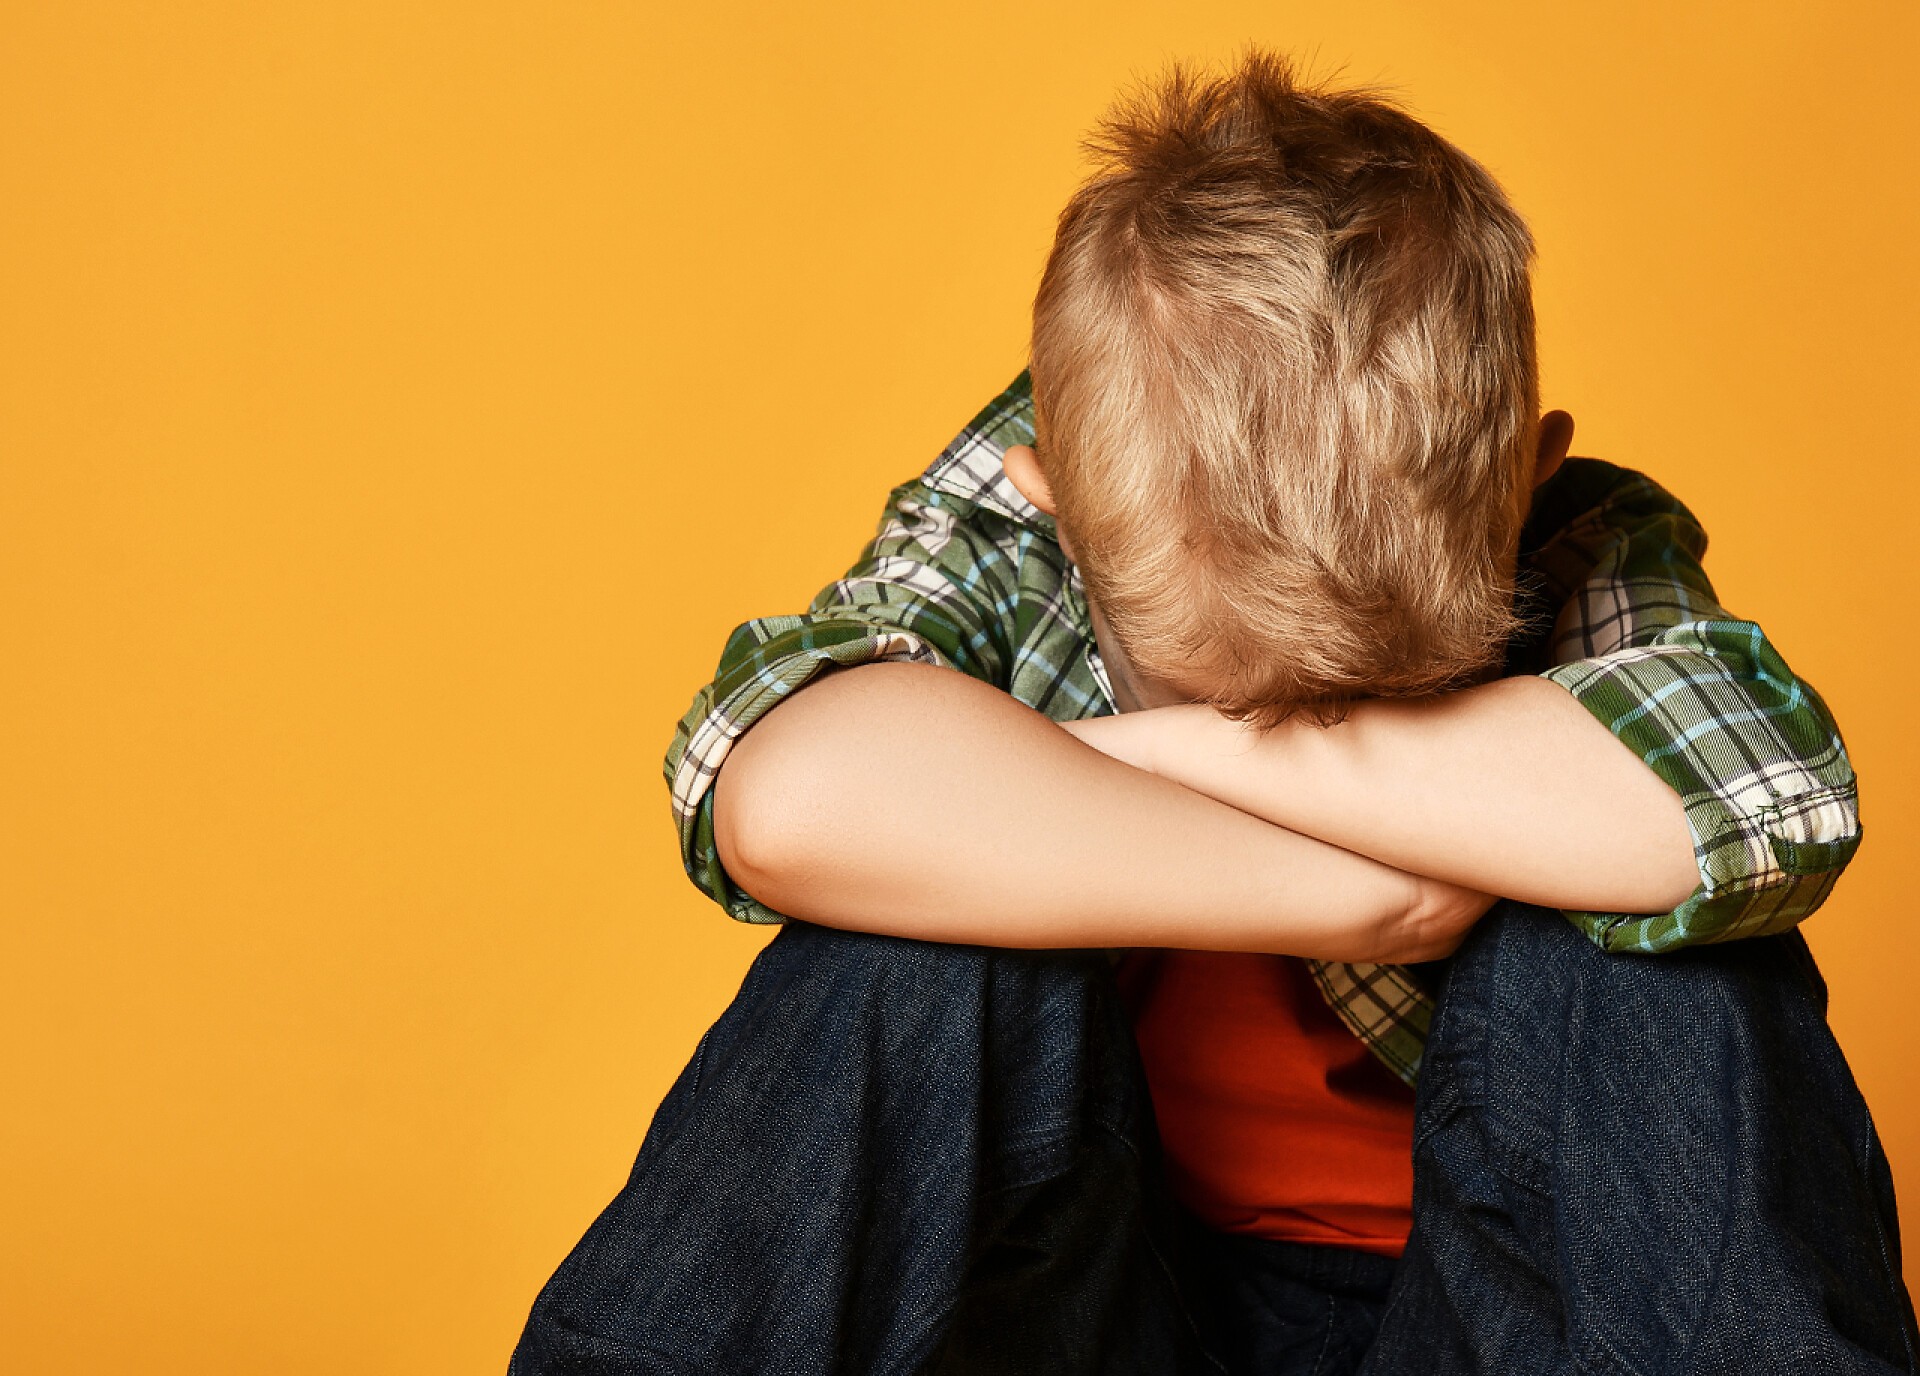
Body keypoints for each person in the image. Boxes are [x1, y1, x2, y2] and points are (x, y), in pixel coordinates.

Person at [510, 54, 1917, 1374]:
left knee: (1671, 969)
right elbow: (782, 793)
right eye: (1219, 694)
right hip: (1095, 1301)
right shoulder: (1029, 525)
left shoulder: (1581, 546)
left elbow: (1759, 803)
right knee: (907, 947)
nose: (1280, 730)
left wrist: (1155, 745)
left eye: (1371, 703)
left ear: (1527, 492)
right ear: (1054, 505)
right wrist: (1376, 895)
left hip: (1495, 1314)